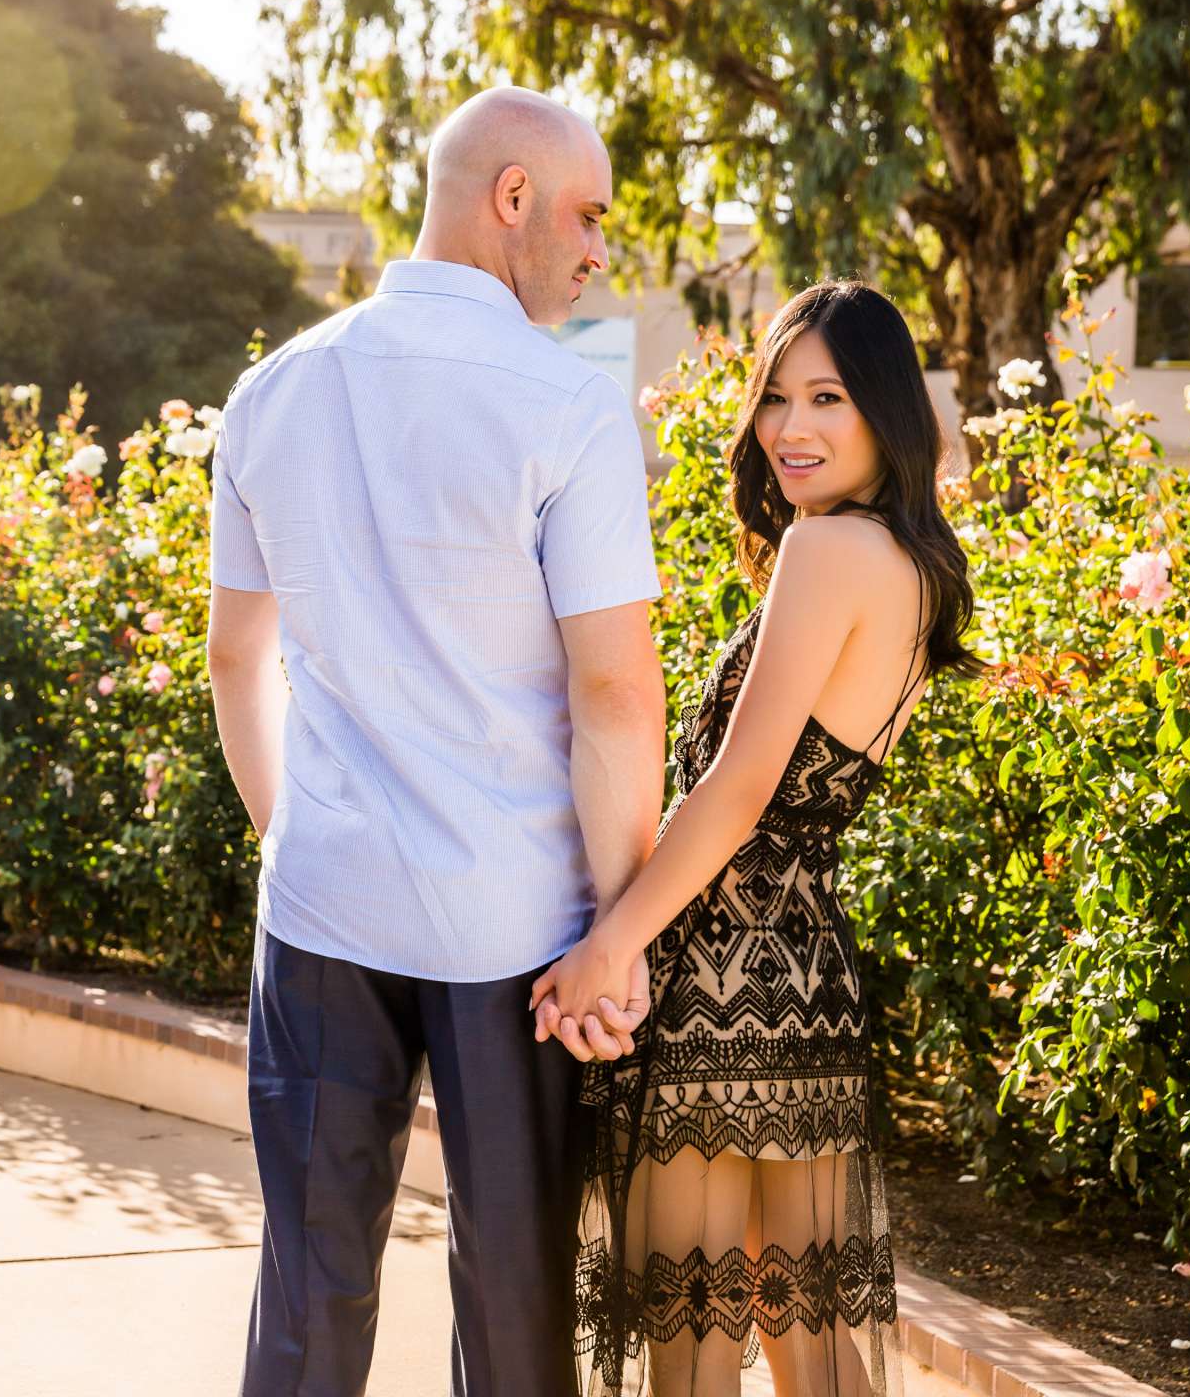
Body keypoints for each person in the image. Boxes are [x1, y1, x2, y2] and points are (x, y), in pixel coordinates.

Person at [207, 85, 668, 1397]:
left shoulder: (271, 391)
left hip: (321, 916)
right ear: (508, 197)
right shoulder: (566, 409)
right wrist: (617, 938)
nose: (596, 251)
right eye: (586, 215)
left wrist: (292, 834)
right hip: (513, 936)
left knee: (307, 1290)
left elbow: (240, 658)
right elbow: (616, 699)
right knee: (517, 1305)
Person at [532, 281, 979, 1396]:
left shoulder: (827, 551)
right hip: (811, 985)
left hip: (721, 975)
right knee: (818, 1358)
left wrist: (608, 944)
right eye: (776, 398)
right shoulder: (911, 564)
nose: (790, 428)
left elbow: (734, 791)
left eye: (827, 397)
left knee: (692, 1367)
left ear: (885, 410)